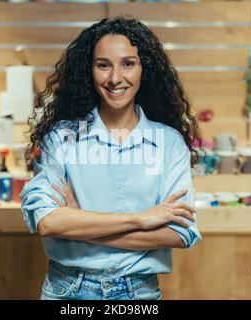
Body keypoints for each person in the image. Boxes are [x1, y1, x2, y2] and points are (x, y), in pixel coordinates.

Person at [20, 16, 202, 300]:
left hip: (138, 294)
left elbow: (180, 234)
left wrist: (79, 225)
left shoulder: (168, 143)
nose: (115, 78)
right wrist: (142, 219)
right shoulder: (62, 138)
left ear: (145, 69)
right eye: (103, 65)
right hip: (68, 291)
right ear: (89, 71)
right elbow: (48, 223)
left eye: (128, 63)